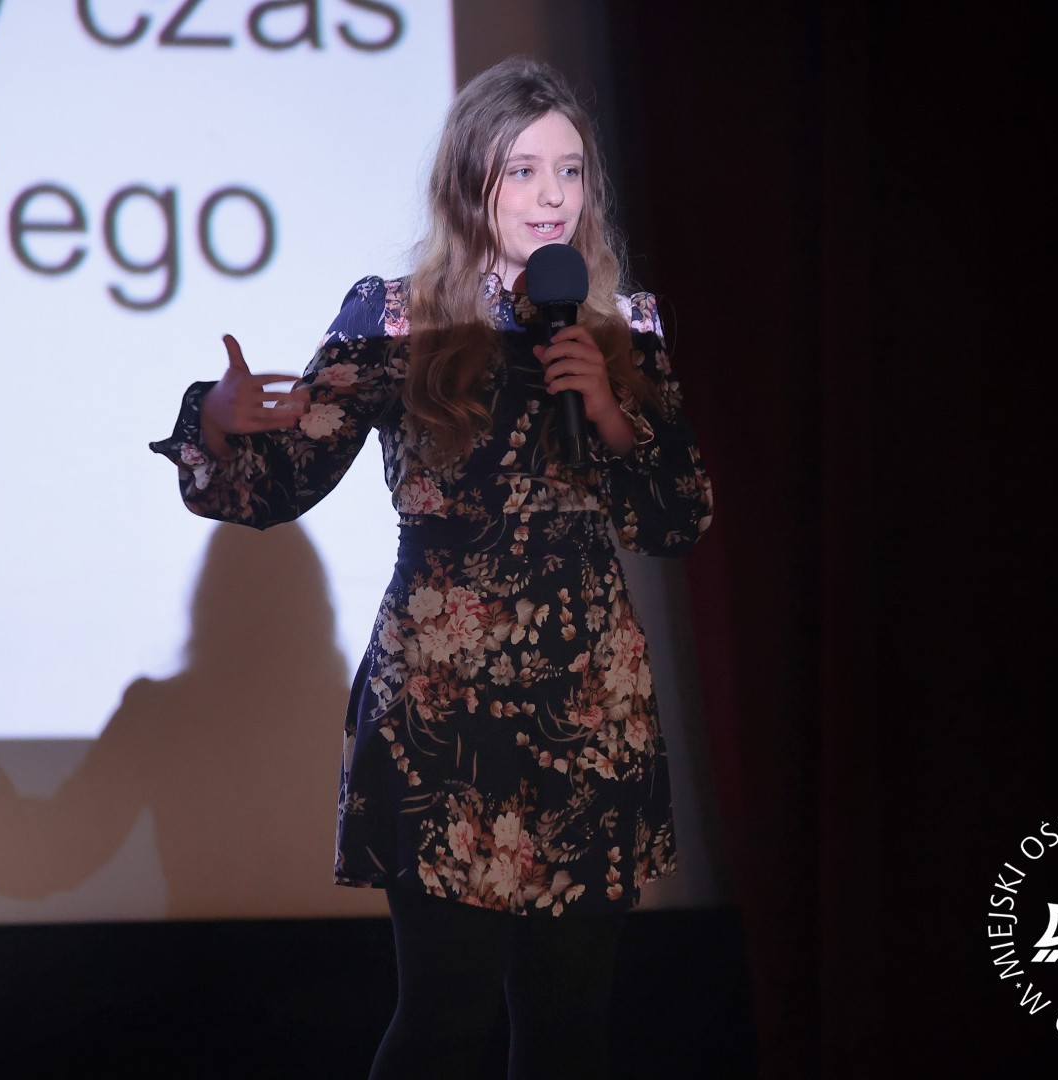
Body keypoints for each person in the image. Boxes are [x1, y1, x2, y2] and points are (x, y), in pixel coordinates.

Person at [150, 56, 712, 1080]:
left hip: (590, 704)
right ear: (469, 182)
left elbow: (679, 518)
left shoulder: (624, 327)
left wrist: (608, 413)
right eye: (523, 170)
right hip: (444, 711)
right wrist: (219, 423)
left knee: (570, 1032)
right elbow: (276, 487)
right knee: (446, 1021)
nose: (552, 195)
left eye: (571, 171)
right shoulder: (395, 318)